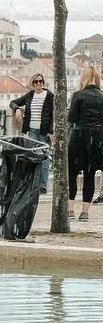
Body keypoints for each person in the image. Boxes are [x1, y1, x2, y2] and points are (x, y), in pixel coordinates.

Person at [69, 66, 103, 221]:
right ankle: (85, 212)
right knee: (89, 174)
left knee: (72, 173)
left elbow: (72, 118)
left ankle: (70, 209)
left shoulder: (78, 95)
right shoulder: (102, 96)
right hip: (97, 139)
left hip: (79, 137)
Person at [10, 73, 55, 193]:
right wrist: (17, 109)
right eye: (36, 82)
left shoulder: (49, 95)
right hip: (32, 131)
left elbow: (53, 114)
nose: (38, 84)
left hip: (44, 131)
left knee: (44, 158)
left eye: (40, 81)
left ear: (43, 83)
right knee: (33, 157)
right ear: (32, 84)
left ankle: (43, 186)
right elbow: (13, 102)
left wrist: (51, 131)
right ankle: (33, 184)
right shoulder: (30, 95)